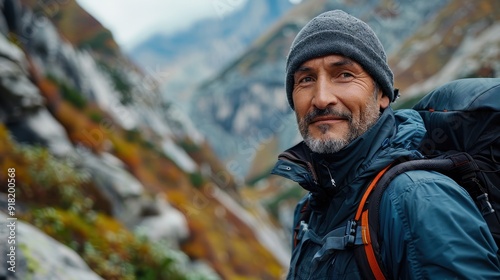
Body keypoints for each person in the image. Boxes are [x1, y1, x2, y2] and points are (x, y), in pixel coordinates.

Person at [271, 10, 500, 279]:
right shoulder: (310, 207)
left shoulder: (417, 199)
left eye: (344, 74)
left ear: (382, 95)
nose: (321, 98)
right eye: (306, 79)